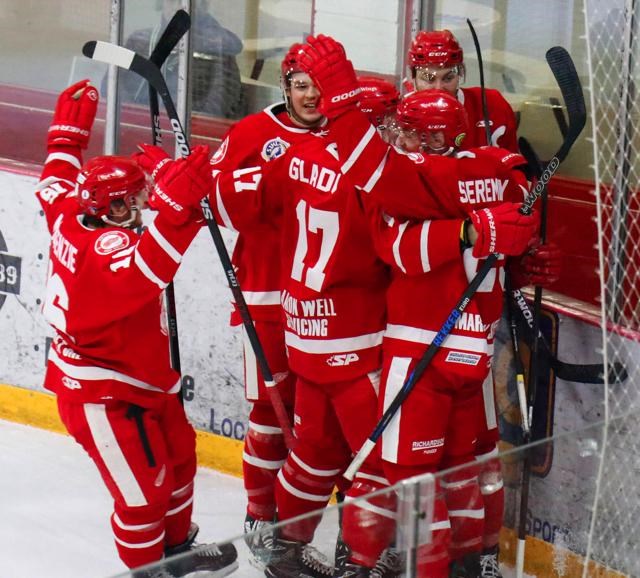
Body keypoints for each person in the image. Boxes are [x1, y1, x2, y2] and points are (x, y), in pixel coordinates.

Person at [295, 36, 546, 578]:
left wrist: (338, 99)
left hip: (420, 347)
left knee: (404, 473)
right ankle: (475, 561)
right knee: (466, 465)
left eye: (407, 130)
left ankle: (369, 563)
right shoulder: (494, 167)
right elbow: (510, 216)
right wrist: (509, 244)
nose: (399, 137)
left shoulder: (416, 180)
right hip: (475, 345)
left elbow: (400, 245)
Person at [37, 79, 237, 578]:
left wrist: (66, 139)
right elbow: (151, 270)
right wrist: (178, 209)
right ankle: (146, 572)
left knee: (181, 464)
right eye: (132, 202)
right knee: (143, 495)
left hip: (139, 375)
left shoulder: (71, 211)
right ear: (107, 210)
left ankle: (176, 554)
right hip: (103, 391)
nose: (142, 206)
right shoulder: (103, 252)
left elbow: (55, 180)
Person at [210, 42, 327, 570]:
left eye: (318, 83)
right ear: (286, 87)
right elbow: (216, 200)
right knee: (270, 414)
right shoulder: (254, 133)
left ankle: (311, 526)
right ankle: (261, 517)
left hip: (331, 306)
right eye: (300, 84)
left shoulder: (346, 131)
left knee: (321, 423)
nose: (310, 95)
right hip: (267, 298)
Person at [120, 0, 245, 118]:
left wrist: (177, 124)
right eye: (171, 0)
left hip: (190, 132)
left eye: (183, 2)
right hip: (139, 127)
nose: (177, 7)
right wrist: (135, 117)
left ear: (199, 6)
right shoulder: (140, 42)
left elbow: (219, 104)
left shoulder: (218, 47)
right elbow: (114, 88)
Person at [407, 29, 519, 152]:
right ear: (413, 78)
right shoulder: (400, 117)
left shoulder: (492, 104)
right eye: (429, 79)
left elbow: (514, 168)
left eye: (448, 78)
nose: (439, 88)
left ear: (461, 73)